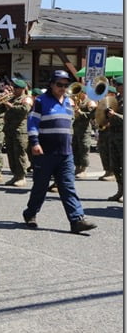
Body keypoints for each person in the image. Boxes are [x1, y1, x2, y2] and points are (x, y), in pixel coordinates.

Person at [22, 70, 97, 233]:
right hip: (45, 152)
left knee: (68, 186)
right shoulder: (41, 100)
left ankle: (77, 220)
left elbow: (68, 126)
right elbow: (32, 122)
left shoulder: (69, 102)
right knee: (40, 187)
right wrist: (35, 142)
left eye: (65, 85)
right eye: (59, 84)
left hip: (65, 153)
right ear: (51, 84)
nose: (63, 87)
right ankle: (30, 214)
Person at [1, 78, 32, 186]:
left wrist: (11, 106)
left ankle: (21, 177)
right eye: (13, 87)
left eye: (16, 87)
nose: (13, 89)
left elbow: (25, 110)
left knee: (19, 154)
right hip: (10, 129)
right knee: (11, 153)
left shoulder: (26, 99)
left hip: (20, 130)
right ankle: (15, 175)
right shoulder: (12, 98)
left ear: (23, 89)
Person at [71, 86, 96, 178]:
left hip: (85, 130)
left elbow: (93, 115)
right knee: (76, 149)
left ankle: (84, 170)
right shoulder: (77, 102)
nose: (76, 94)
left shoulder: (90, 102)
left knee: (84, 149)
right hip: (76, 129)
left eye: (79, 92)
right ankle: (77, 167)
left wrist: (80, 113)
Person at [107, 76, 123, 202]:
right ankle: (120, 191)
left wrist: (115, 115)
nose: (116, 87)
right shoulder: (116, 99)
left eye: (118, 85)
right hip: (113, 136)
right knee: (116, 165)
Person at [97, 86, 117, 181]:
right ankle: (107, 171)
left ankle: (112, 172)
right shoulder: (103, 103)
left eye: (106, 92)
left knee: (110, 152)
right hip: (103, 131)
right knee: (103, 151)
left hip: (111, 131)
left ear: (112, 94)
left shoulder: (115, 103)